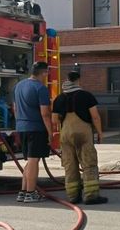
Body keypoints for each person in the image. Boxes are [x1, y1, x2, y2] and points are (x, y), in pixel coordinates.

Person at [51, 72, 108, 205]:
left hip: (66, 133)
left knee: (70, 165)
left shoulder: (59, 98)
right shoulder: (86, 95)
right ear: (78, 80)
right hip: (83, 132)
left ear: (67, 80)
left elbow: (54, 120)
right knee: (89, 163)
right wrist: (100, 132)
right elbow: (95, 116)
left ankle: (72, 196)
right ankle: (91, 196)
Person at [13, 61, 53, 203]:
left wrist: (20, 123)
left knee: (30, 161)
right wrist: (50, 132)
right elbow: (45, 114)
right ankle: (31, 192)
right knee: (34, 161)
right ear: (43, 73)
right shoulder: (41, 88)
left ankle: (23, 192)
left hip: (22, 127)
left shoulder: (18, 86)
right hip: (36, 128)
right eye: (47, 72)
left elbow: (15, 108)